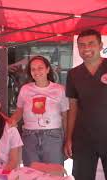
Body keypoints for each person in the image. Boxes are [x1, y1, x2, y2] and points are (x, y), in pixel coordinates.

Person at [9, 56, 68, 166]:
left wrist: (67, 139)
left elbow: (65, 116)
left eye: (40, 68)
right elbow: (19, 111)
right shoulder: (25, 89)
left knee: (53, 175)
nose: (36, 72)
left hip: (53, 137)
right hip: (29, 137)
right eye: (33, 69)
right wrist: (13, 120)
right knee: (31, 174)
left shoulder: (59, 89)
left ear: (48, 69)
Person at [64, 29, 107, 180]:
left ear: (101, 45)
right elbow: (73, 107)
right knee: (82, 177)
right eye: (82, 45)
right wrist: (68, 138)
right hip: (83, 137)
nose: (86, 48)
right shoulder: (73, 74)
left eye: (91, 44)